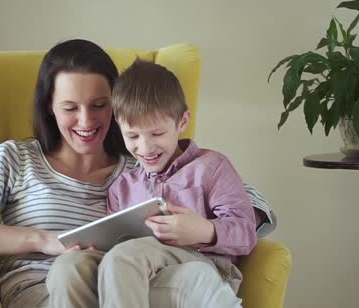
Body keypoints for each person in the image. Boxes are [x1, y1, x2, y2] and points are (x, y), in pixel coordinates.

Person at [0, 39, 274, 308]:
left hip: (131, 286)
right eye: (70, 107)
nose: (86, 121)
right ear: (50, 107)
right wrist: (45, 240)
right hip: (44, 291)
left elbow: (246, 202)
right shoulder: (16, 158)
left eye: (99, 105)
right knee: (76, 271)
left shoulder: (141, 163)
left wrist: (206, 228)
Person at [99, 59, 255, 307]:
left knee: (124, 258)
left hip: (202, 266)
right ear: (119, 127)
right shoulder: (122, 187)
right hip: (142, 279)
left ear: (182, 122)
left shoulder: (211, 167)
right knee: (80, 265)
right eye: (132, 136)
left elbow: (246, 233)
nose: (145, 147)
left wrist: (205, 230)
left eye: (157, 134)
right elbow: (114, 248)